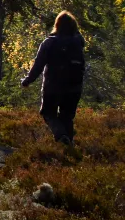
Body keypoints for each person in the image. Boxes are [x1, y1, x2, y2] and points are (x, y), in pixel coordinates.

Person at [21, 11, 85, 146]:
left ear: (57, 25)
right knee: (67, 116)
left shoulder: (49, 42)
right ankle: (69, 146)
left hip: (53, 86)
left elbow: (38, 65)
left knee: (48, 113)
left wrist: (27, 81)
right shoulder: (78, 42)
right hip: (75, 87)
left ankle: (61, 136)